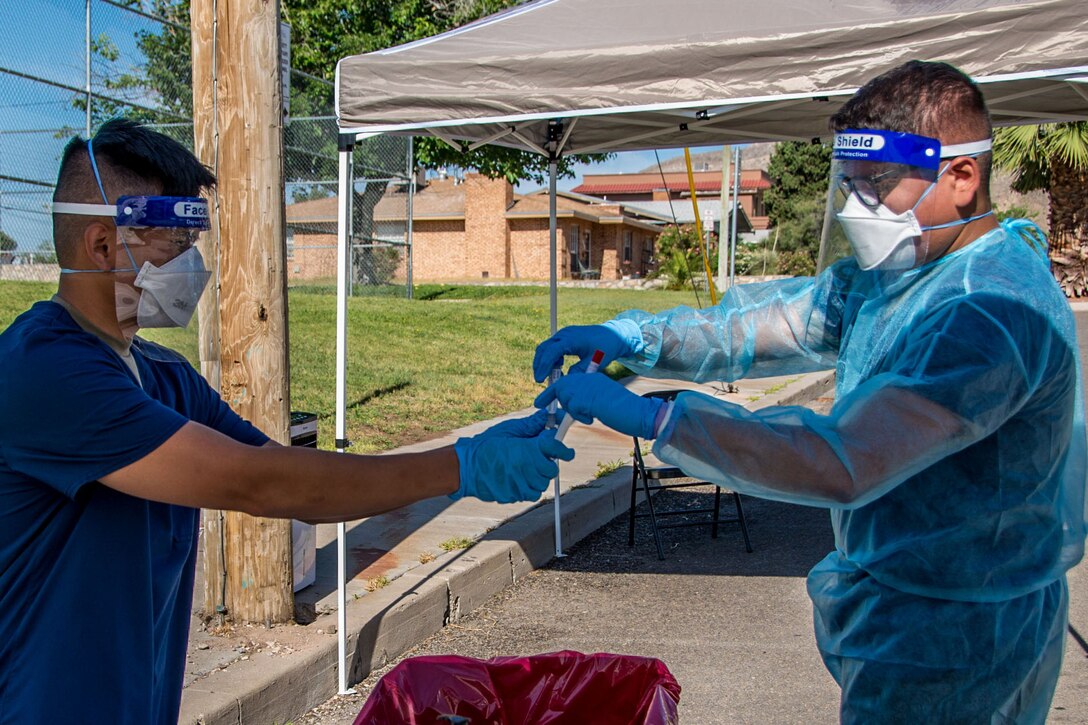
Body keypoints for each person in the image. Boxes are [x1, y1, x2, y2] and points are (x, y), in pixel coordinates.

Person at [534, 60, 1086, 723]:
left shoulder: (988, 311)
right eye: (848, 187)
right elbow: (766, 325)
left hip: (966, 637)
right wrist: (639, 336)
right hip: (905, 614)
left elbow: (844, 460)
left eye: (876, 185)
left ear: (961, 177)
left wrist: (661, 419)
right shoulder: (898, 277)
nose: (858, 210)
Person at [0, 119, 572, 724]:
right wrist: (461, 465)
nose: (190, 268)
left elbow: (293, 483)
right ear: (101, 246)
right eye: (172, 247)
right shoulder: (45, 372)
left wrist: (464, 458)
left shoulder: (158, 374)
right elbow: (259, 482)